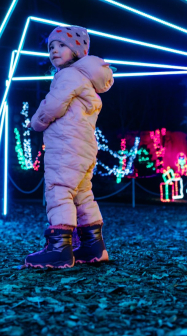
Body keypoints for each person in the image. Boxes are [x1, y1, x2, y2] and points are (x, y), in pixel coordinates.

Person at [24, 25, 114, 268]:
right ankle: (93, 245)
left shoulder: (68, 76)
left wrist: (36, 122)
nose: (54, 50)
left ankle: (59, 249)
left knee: (59, 190)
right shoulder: (86, 80)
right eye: (51, 47)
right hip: (84, 148)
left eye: (62, 45)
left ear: (76, 51)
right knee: (83, 194)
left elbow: (53, 105)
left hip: (66, 146)